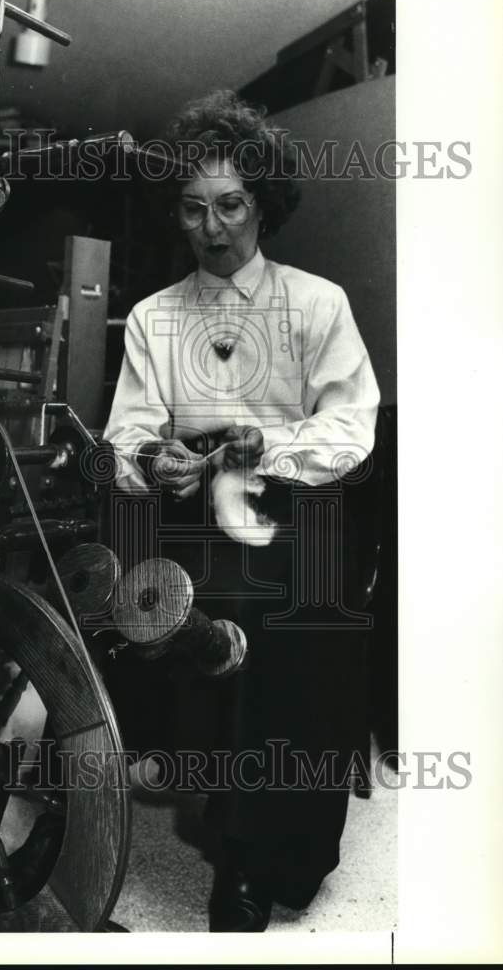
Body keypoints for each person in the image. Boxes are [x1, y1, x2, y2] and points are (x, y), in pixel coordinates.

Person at [102, 90, 381, 931]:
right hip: (186, 511)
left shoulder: (319, 302)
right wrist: (156, 459)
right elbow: (125, 434)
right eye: (193, 209)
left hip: (294, 502)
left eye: (229, 205)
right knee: (124, 580)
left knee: (298, 617)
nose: (211, 227)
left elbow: (350, 424)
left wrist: (266, 447)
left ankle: (256, 859)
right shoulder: (152, 316)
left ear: (261, 203)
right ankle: (166, 756)